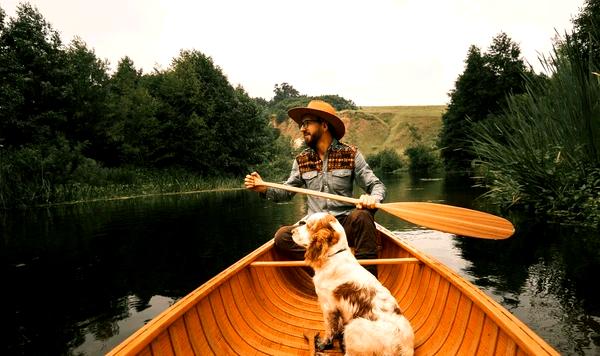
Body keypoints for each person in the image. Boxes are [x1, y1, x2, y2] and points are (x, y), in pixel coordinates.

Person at [244, 100, 386, 275]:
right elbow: (287, 191)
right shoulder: (302, 160)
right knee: (282, 237)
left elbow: (376, 185)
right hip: (314, 228)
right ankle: (328, 266)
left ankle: (367, 277)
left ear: (324, 126)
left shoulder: (351, 154)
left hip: (342, 226)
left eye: (307, 123)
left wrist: (372, 198)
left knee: (363, 216)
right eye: (301, 125)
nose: (302, 129)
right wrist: (264, 188)